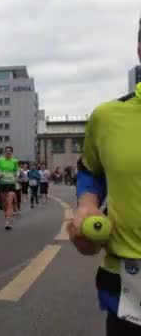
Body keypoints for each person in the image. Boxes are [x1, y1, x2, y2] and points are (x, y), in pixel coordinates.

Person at [69, 31, 141, 333]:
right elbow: (91, 170)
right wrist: (87, 205)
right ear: (140, 49)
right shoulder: (107, 118)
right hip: (129, 286)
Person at [0, 146, 19, 230]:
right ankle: (8, 216)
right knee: (4, 204)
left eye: (10, 151)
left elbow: (17, 171)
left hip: (11, 184)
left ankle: (8, 221)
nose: (8, 152)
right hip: (3, 184)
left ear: (12, 152)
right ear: (4, 152)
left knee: (9, 202)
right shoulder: (0, 160)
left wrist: (16, 177)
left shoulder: (14, 161)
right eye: (6, 151)